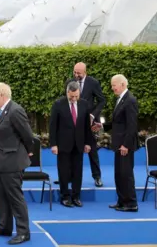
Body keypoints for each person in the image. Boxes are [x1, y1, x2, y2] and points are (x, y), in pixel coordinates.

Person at [0, 82, 34, 245]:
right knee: (1, 196)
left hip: (12, 163)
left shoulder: (15, 110)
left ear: (1, 95)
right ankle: (4, 227)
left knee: (15, 198)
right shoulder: (1, 111)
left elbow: (27, 135)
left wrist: (29, 151)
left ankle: (23, 232)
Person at [94, 74, 139, 212]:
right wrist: (101, 126)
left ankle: (131, 203)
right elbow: (117, 122)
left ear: (122, 85)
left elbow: (132, 126)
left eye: (114, 85)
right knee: (119, 174)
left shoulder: (130, 100)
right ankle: (121, 201)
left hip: (125, 146)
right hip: (119, 145)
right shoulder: (121, 99)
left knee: (126, 174)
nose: (112, 88)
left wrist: (126, 144)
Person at [59, 62, 105, 187]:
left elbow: (102, 100)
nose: (76, 75)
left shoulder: (93, 82)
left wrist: (93, 115)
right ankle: (67, 176)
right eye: (74, 72)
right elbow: (66, 101)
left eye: (79, 73)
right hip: (73, 121)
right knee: (71, 148)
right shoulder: (69, 82)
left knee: (92, 149)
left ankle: (97, 177)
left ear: (85, 72)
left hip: (89, 122)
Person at [49, 81, 93, 208]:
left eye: (76, 96)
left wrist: (88, 143)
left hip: (79, 144)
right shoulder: (58, 104)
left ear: (79, 93)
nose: (74, 99)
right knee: (63, 172)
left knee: (77, 172)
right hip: (63, 144)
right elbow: (53, 126)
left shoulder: (84, 104)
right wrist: (53, 144)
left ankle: (76, 196)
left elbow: (87, 127)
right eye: (71, 96)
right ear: (67, 92)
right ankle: (65, 196)